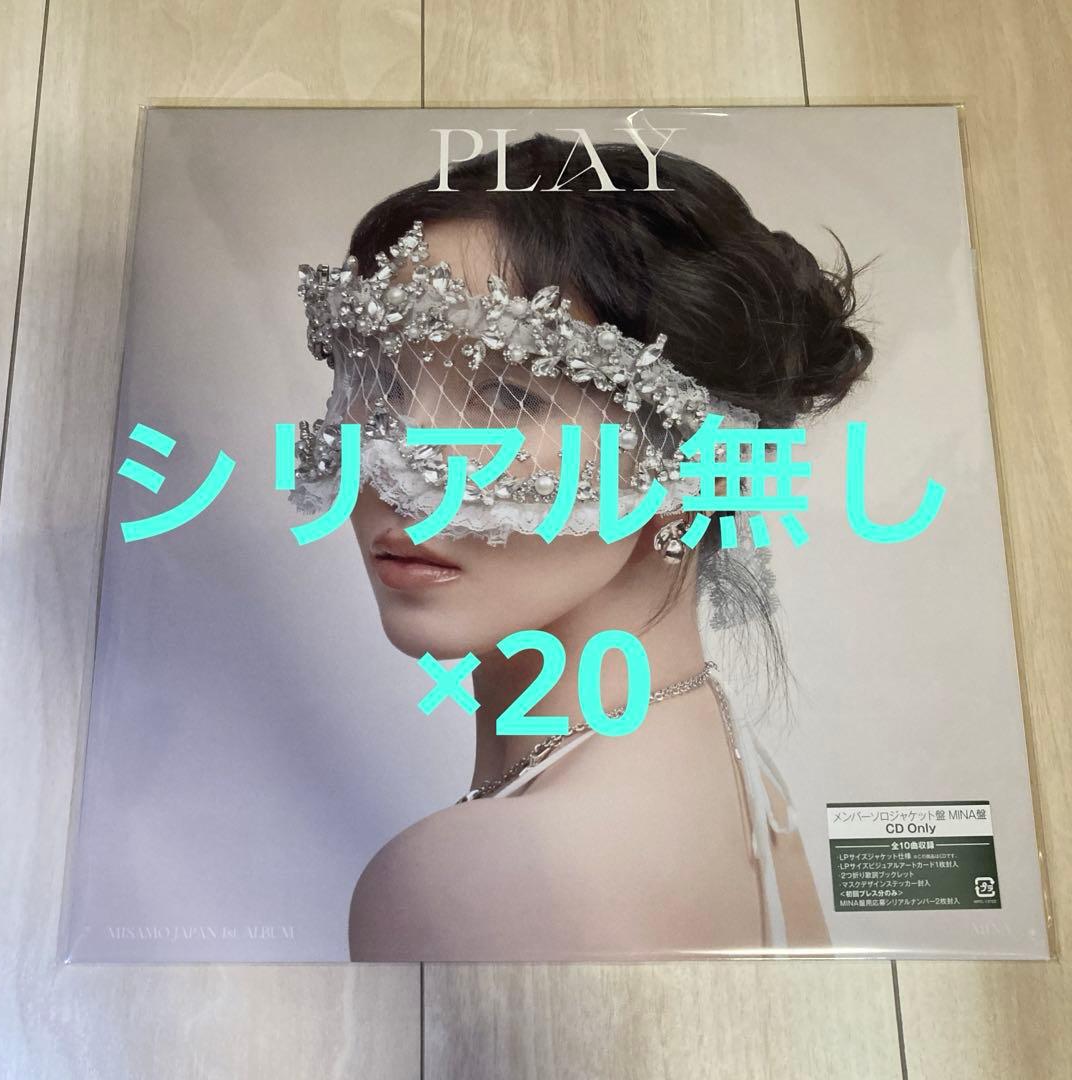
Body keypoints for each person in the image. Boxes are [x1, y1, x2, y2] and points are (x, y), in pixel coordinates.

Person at [291, 134, 873, 960]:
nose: (390, 460)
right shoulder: (735, 784)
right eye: (376, 381)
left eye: (506, 394)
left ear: (694, 456)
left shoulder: (472, 879)